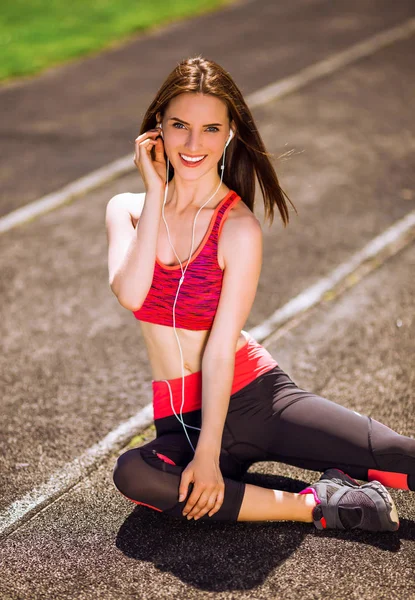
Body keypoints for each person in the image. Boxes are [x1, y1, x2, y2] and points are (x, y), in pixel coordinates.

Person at [106, 55, 413, 532]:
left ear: (230, 133)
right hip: (181, 419)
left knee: (399, 457)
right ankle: (319, 502)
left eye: (210, 129)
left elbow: (220, 351)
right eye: (179, 126)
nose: (192, 143)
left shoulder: (238, 227)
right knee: (135, 474)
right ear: (157, 130)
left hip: (256, 400)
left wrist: (209, 456)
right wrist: (154, 189)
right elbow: (130, 293)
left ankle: (318, 481)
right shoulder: (126, 209)